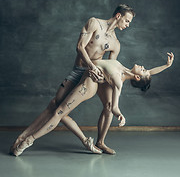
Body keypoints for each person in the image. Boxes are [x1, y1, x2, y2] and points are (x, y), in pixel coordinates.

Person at [10, 4, 135, 155]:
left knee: (103, 106)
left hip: (92, 76)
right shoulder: (94, 22)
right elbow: (80, 47)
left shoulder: (116, 44)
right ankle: (23, 138)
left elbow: (109, 66)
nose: (128, 25)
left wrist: (103, 79)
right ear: (118, 16)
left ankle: (99, 142)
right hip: (80, 70)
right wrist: (91, 66)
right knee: (55, 106)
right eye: (127, 21)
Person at [13, 52, 174, 156]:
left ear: (138, 78)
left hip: (89, 85)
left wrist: (120, 115)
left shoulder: (119, 81)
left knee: (58, 113)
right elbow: (150, 73)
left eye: (143, 70)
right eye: (146, 69)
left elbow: (115, 105)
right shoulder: (124, 68)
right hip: (85, 76)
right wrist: (166, 66)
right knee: (58, 110)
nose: (145, 67)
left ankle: (29, 141)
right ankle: (26, 139)